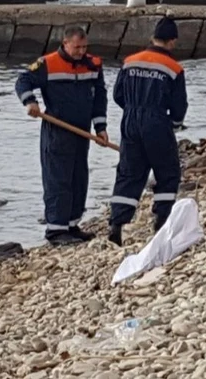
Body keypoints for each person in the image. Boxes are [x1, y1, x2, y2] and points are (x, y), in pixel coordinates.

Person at [15, 26, 109, 246]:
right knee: (58, 178)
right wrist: (30, 101)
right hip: (57, 130)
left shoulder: (93, 64)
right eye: (77, 47)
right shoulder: (47, 63)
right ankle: (56, 230)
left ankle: (72, 224)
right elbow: (22, 81)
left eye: (84, 47)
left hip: (82, 131)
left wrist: (100, 127)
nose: (81, 51)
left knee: (79, 177)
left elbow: (99, 97)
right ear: (65, 43)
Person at [108, 17, 188, 246]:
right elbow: (179, 105)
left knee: (129, 171)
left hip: (131, 120)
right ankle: (161, 219)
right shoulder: (173, 68)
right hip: (156, 121)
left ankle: (117, 223)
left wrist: (133, 110)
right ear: (172, 41)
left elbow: (117, 95)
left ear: (153, 37)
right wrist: (174, 123)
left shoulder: (130, 61)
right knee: (167, 170)